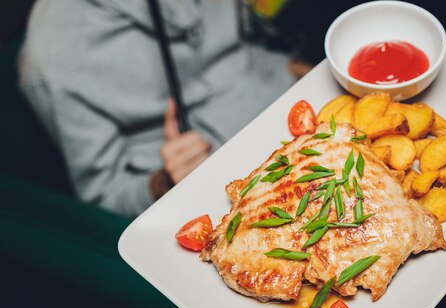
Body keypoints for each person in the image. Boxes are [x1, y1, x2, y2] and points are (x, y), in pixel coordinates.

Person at [18, 0, 306, 217]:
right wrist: (163, 182)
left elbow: (238, 54)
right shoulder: (52, 59)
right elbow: (104, 198)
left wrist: (295, 70)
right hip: (212, 191)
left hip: (289, 112)